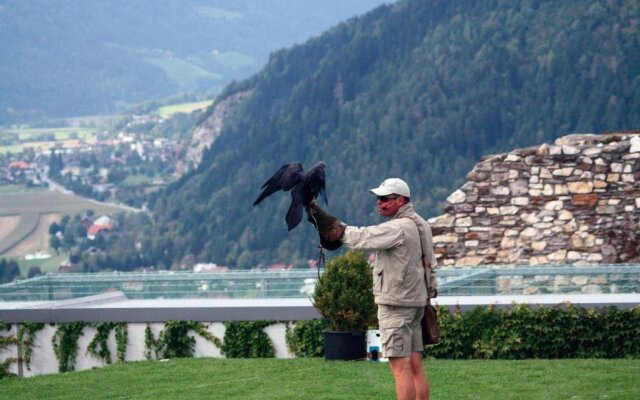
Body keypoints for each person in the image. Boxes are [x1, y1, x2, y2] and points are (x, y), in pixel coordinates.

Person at [306, 177, 438, 400]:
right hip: (417, 303)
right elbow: (431, 265)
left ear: (401, 201)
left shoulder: (397, 227)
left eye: (385, 198)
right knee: (415, 365)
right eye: (379, 198)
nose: (379, 202)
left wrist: (316, 212)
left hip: (396, 305)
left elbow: (359, 238)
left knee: (400, 368)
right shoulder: (421, 224)